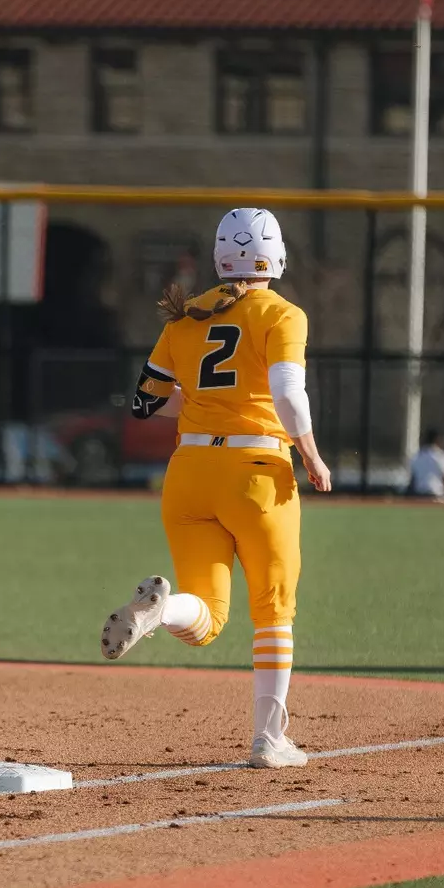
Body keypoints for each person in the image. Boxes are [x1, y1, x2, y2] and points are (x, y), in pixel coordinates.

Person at [98, 208, 332, 770]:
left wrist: (205, 403)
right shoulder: (283, 314)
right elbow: (288, 395)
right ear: (274, 257)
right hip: (255, 473)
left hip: (189, 474)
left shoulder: (186, 317)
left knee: (205, 619)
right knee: (274, 612)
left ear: (220, 258)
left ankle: (159, 612)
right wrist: (312, 454)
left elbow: (144, 401)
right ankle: (268, 741)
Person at [408, 428, 444, 502]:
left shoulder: (417, 456)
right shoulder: (442, 456)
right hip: (437, 497)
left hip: (419, 496)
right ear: (438, 439)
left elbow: (413, 479)